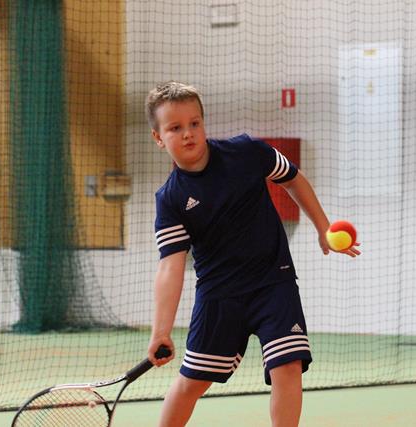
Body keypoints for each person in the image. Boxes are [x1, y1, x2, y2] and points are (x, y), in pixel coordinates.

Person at [145, 81, 360, 427]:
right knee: (192, 383)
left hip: (274, 282)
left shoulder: (246, 152)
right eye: (175, 128)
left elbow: (293, 178)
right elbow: (171, 267)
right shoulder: (170, 199)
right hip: (219, 296)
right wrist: (161, 331)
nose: (188, 133)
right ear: (158, 138)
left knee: (288, 365)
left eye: (195, 123)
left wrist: (323, 227)